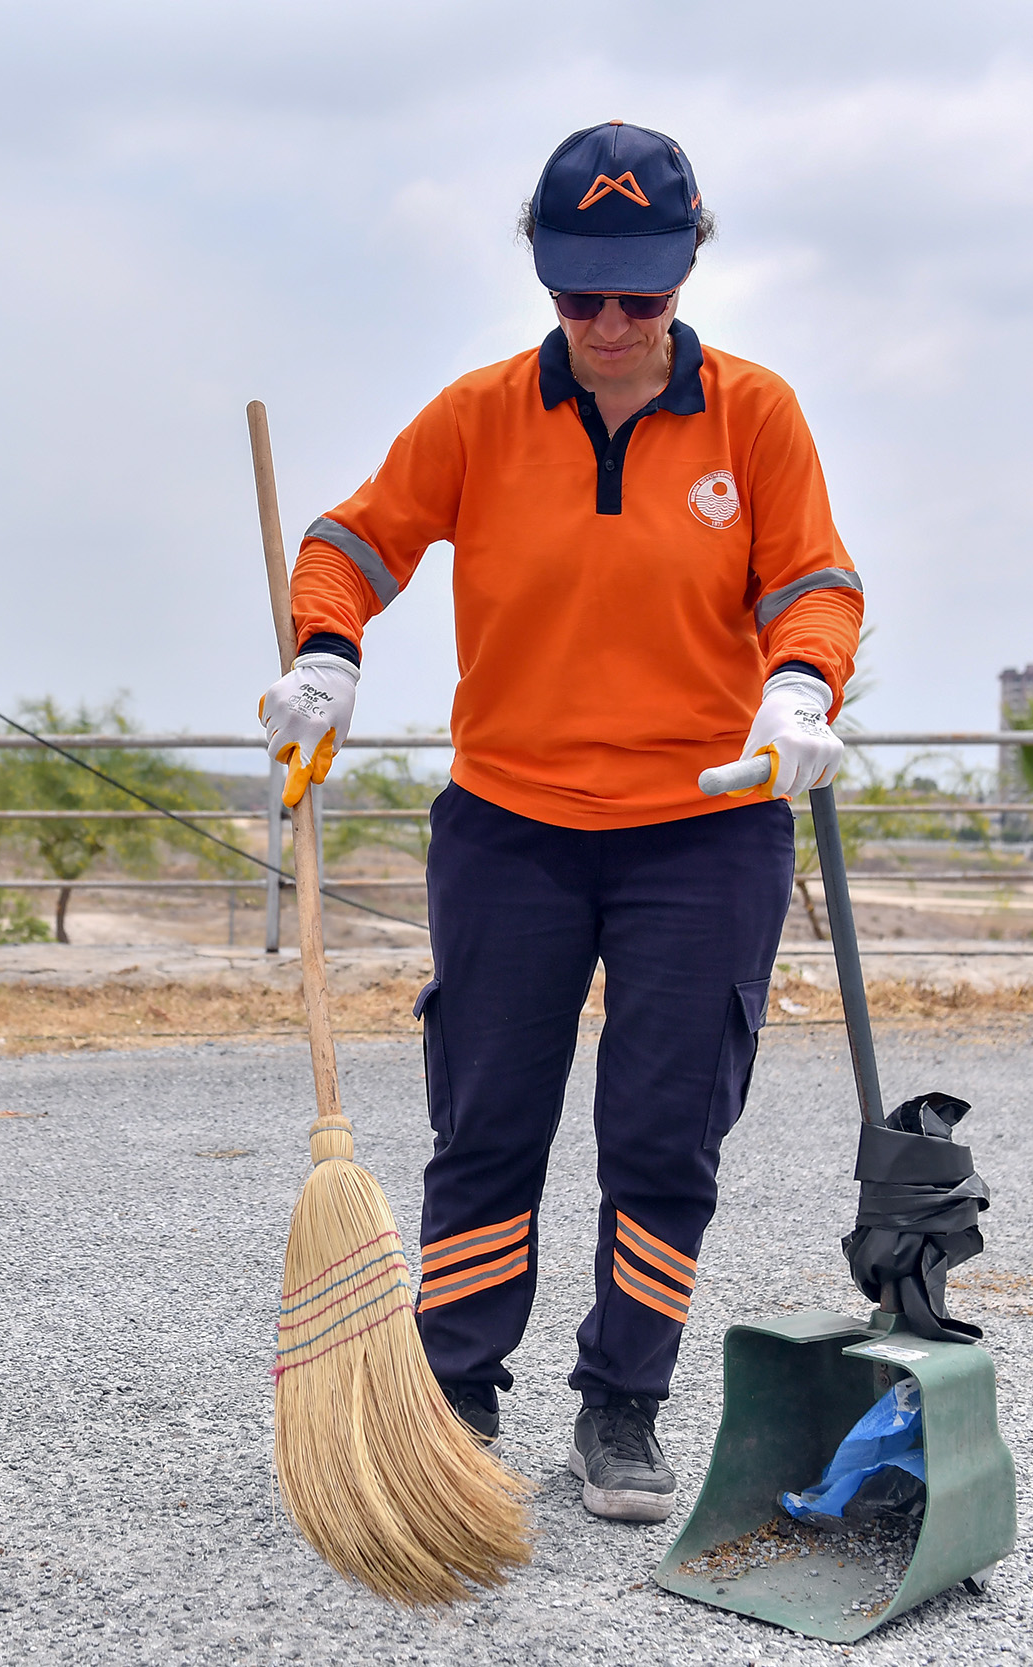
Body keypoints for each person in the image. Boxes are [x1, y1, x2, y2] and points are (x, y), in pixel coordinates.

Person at [258, 121, 859, 1526]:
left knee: (666, 1126)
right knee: (487, 1117)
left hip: (701, 829)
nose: (608, 322)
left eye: (639, 295)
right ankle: (455, 1388)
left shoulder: (754, 415)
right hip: (509, 826)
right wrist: (328, 652)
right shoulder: (478, 414)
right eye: (578, 293)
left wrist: (798, 686)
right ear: (540, 273)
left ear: (688, 268)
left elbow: (813, 580)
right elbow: (351, 540)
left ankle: (622, 1403)